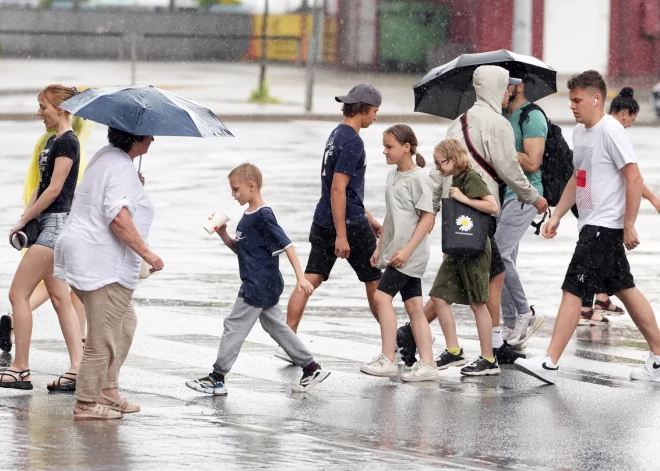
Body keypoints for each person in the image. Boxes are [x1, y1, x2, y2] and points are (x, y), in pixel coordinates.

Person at [514, 70, 660, 384]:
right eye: (570, 100)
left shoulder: (611, 131)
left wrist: (629, 224)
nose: (572, 106)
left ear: (596, 99)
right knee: (626, 290)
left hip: (603, 228)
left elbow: (633, 178)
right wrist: (557, 216)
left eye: (577, 100)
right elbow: (576, 180)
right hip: (590, 225)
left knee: (573, 288)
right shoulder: (581, 133)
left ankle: (550, 362)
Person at [397, 66, 548, 367]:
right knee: (467, 281)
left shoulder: (458, 122)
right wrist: (535, 198)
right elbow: (511, 170)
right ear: (496, 88)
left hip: (458, 212)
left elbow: (442, 170)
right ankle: (421, 333)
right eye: (506, 87)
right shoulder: (498, 124)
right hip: (479, 211)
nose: (509, 93)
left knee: (490, 273)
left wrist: (433, 210)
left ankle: (492, 345)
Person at [186, 163, 330, 395]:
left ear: (251, 186)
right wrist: (223, 234)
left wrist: (301, 278)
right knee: (276, 327)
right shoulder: (247, 216)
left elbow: (287, 244)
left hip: (258, 284)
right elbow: (241, 249)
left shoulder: (263, 214)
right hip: (263, 283)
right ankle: (311, 367)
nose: (233, 194)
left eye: (236, 189)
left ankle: (217, 377)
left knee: (233, 326)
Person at [54, 127, 164, 419]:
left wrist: (135, 186)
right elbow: (117, 217)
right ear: (135, 137)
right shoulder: (119, 165)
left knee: (125, 324)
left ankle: (108, 390)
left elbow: (103, 197)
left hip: (83, 253)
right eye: (149, 135)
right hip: (102, 263)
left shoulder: (110, 158)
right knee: (103, 337)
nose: (153, 139)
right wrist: (147, 254)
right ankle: (87, 403)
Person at [277, 84, 383, 363]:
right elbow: (339, 188)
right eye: (374, 112)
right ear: (361, 109)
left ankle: (288, 340)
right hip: (346, 223)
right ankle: (391, 342)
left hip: (324, 217)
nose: (375, 117)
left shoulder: (336, 134)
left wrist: (370, 219)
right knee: (375, 280)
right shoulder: (353, 142)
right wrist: (342, 234)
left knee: (311, 277)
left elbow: (345, 191)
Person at [1, 85, 84, 391]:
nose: (39, 112)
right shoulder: (53, 141)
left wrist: (25, 218)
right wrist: (25, 217)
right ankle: (77, 369)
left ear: (60, 110)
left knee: (17, 295)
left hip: (56, 226)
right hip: (47, 224)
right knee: (61, 298)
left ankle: (20, 367)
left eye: (43, 107)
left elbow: (55, 190)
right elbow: (42, 184)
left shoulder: (68, 143)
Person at [359, 125, 438, 381]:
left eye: (389, 147)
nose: (384, 151)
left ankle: (388, 359)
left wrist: (406, 250)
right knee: (414, 307)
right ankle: (428, 364)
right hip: (395, 251)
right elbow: (392, 213)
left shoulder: (419, 178)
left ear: (407, 147)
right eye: (384, 146)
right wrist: (379, 247)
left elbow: (427, 218)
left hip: (409, 253)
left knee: (382, 297)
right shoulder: (393, 175)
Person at [579, 86, 660, 324]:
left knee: (598, 271)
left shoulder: (598, 130)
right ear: (624, 113)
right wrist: (630, 223)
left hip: (598, 217)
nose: (629, 126)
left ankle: (595, 300)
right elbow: (632, 177)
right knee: (595, 270)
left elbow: (629, 177)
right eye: (631, 121)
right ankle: (590, 303)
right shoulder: (613, 132)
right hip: (602, 218)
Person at [429, 139, 501, 375]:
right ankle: (453, 351)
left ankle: (489, 359)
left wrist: (463, 198)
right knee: (439, 295)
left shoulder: (470, 177)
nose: (438, 167)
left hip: (475, 248)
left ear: (452, 159)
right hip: (458, 246)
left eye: (439, 162)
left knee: (478, 303)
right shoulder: (455, 178)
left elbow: (492, 207)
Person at [497, 76, 547, 347]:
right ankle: (509, 323)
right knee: (504, 262)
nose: (504, 89)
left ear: (520, 87)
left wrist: (503, 146)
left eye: (508, 84)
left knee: (499, 255)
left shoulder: (533, 116)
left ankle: (526, 313)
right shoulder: (506, 116)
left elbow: (532, 161)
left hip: (525, 195)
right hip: (505, 195)